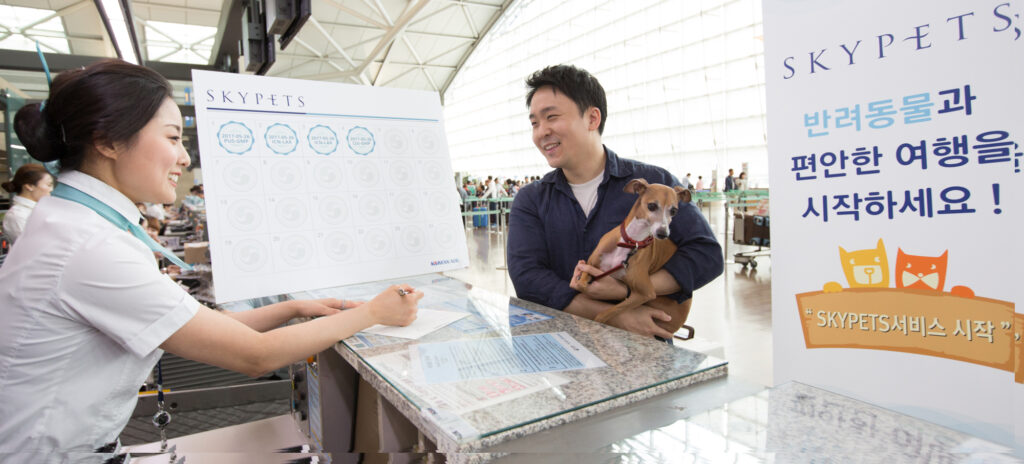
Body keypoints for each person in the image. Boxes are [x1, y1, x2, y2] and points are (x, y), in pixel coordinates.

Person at [0, 59, 423, 458]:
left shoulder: (75, 223)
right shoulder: (88, 246)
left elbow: (197, 324)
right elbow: (254, 356)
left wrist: (295, 307)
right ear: (107, 141)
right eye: (171, 137)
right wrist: (373, 312)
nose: (184, 157)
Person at [508, 64, 722, 339]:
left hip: (642, 352)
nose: (541, 132)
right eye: (535, 123)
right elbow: (529, 280)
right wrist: (617, 317)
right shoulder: (532, 199)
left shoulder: (655, 183)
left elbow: (707, 255)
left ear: (592, 118)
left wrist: (630, 290)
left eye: (551, 117)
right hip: (560, 347)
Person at [1, 163, 54, 244]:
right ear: (29, 186)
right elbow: (36, 247)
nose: (51, 189)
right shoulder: (17, 216)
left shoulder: (39, 210)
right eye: (48, 185)